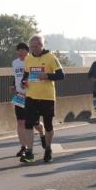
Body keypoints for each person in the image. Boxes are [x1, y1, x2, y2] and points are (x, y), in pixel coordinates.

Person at [19, 35, 64, 164]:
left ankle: (48, 149)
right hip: (31, 96)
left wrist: (47, 76)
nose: (33, 49)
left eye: (35, 46)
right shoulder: (28, 58)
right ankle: (30, 152)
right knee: (28, 124)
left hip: (47, 97)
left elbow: (61, 75)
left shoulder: (50, 57)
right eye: (31, 47)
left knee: (48, 125)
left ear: (41, 45)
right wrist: (23, 82)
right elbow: (26, 74)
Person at [12, 42, 46, 157]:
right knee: (20, 122)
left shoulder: (32, 61)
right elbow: (16, 76)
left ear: (28, 51)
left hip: (32, 95)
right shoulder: (15, 63)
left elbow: (37, 77)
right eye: (19, 50)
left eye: (23, 50)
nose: (20, 52)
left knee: (33, 123)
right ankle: (24, 147)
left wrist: (28, 83)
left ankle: (41, 132)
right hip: (19, 95)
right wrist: (13, 85)